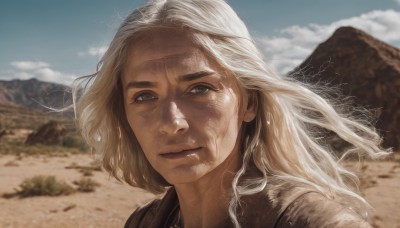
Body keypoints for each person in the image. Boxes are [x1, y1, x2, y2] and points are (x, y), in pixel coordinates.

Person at [73, 0, 389, 227]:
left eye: (199, 88)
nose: (172, 123)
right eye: (144, 96)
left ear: (249, 102)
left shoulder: (314, 223)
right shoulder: (142, 222)